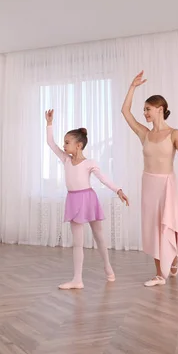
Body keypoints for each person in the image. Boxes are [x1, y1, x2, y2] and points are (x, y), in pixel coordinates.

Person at [121, 71, 178, 287]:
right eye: (144, 109)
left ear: (160, 109)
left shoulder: (175, 133)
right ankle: (159, 274)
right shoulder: (144, 134)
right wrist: (132, 87)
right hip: (148, 184)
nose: (144, 113)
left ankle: (171, 259)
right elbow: (125, 111)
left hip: (166, 184)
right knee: (153, 228)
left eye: (147, 109)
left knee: (167, 224)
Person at [45, 109, 129, 289]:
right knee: (78, 242)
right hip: (73, 200)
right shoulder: (65, 159)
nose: (64, 145)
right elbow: (51, 144)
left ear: (79, 146)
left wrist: (118, 190)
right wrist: (49, 124)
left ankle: (108, 267)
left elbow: (104, 179)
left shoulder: (90, 163)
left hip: (89, 199)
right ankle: (77, 279)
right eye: (64, 142)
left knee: (99, 236)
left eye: (67, 142)